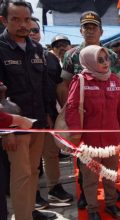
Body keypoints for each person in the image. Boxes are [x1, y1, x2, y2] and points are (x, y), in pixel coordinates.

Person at [58, 10, 120, 208]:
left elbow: (116, 89)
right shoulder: (72, 55)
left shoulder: (111, 55)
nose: (90, 30)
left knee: (109, 164)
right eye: (86, 27)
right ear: (80, 30)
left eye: (93, 27)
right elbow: (64, 85)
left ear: (101, 31)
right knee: (86, 166)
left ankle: (109, 198)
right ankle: (87, 197)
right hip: (85, 122)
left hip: (108, 122)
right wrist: (71, 114)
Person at [0, 1, 51, 219]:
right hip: (13, 126)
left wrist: (48, 117)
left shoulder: (37, 48)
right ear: (4, 20)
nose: (23, 25)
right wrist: (6, 130)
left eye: (27, 19)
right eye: (16, 19)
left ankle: (29, 212)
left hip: (38, 123)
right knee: (21, 175)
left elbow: (43, 87)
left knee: (34, 172)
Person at [65, 45, 120, 220]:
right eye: (100, 60)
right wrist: (76, 135)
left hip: (111, 139)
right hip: (89, 141)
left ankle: (111, 204)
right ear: (89, 61)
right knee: (90, 178)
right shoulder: (81, 81)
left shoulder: (115, 80)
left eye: (107, 59)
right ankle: (92, 208)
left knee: (110, 174)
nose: (105, 63)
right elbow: (71, 108)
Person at [29, 17, 74, 212]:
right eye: (29, 30)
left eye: (35, 30)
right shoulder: (8, 52)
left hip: (49, 115)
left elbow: (58, 86)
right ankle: (32, 194)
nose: (32, 33)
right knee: (30, 159)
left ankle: (54, 188)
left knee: (51, 153)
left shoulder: (48, 58)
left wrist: (63, 113)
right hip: (26, 119)